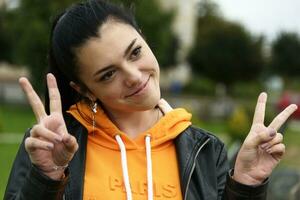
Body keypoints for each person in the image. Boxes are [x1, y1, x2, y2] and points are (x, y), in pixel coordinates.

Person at [4, 0, 298, 199]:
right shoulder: (49, 148)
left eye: (135, 52)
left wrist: (245, 184)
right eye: (108, 74)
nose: (133, 75)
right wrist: (46, 178)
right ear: (83, 89)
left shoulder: (207, 150)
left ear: (144, 38)